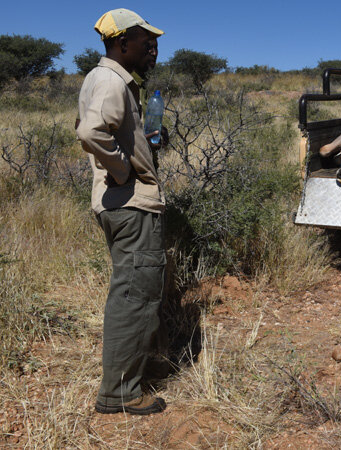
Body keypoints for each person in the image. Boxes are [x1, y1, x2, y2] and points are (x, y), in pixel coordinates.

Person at [76, 8, 167, 415]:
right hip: (130, 203)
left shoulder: (110, 80)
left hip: (118, 202)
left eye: (155, 41)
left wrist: (142, 143)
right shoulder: (112, 80)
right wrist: (124, 168)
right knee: (133, 297)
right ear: (120, 42)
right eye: (145, 40)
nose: (154, 47)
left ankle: (121, 384)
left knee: (129, 292)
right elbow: (90, 132)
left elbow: (102, 130)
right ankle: (120, 394)